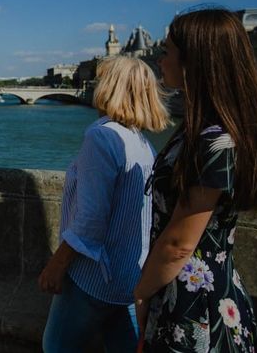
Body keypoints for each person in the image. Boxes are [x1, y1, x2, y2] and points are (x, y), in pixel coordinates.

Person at [134, 8, 257, 352]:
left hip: (193, 307)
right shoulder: (204, 130)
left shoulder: (214, 140)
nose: (160, 61)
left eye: (166, 52)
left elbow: (179, 243)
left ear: (193, 62)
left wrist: (138, 295)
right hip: (193, 293)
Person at [38, 55, 170, 352]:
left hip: (93, 275)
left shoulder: (102, 136)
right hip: (129, 276)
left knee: (56, 347)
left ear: (110, 87)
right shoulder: (143, 144)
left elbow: (90, 219)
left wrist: (56, 265)